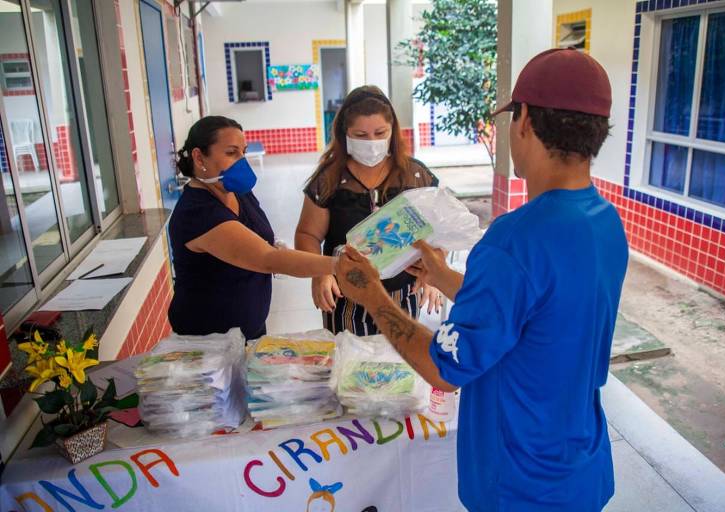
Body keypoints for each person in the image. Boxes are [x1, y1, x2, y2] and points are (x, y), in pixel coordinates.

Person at [335, 49, 628, 511]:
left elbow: (443, 370)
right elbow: (536, 313)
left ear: (525, 120)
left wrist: (372, 296)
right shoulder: (605, 221)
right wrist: (446, 277)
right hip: (578, 466)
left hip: (518, 481)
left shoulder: (514, 241)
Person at [168, 116, 338, 340]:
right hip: (208, 340)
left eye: (243, 152)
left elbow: (260, 236)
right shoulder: (197, 213)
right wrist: (339, 265)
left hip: (249, 330)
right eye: (231, 153)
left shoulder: (235, 192)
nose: (241, 162)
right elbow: (266, 259)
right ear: (199, 157)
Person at [295, 85, 442, 335]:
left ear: (392, 132)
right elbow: (307, 235)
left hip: (403, 295)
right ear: (345, 134)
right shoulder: (329, 179)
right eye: (360, 135)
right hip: (345, 298)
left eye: (380, 133)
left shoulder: (415, 175)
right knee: (348, 367)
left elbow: (438, 231)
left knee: (400, 365)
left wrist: (436, 271)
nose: (372, 142)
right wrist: (320, 273)